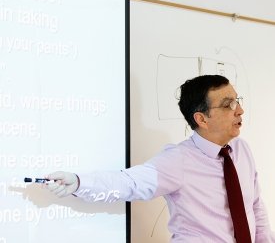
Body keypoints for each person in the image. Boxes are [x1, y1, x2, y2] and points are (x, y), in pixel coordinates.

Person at [46, 74, 275, 242]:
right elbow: (129, 183)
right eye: (229, 105)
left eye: (237, 100)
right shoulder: (178, 160)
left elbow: (254, 206)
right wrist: (79, 182)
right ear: (202, 119)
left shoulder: (241, 150)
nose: (240, 110)